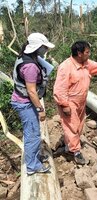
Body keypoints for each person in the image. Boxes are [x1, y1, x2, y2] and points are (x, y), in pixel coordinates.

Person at [11, 32, 55, 175]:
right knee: (33, 134)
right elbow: (31, 91)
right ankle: (32, 166)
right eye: (44, 47)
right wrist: (40, 108)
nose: (46, 50)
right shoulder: (30, 66)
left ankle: (34, 158)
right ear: (37, 47)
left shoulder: (27, 57)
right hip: (25, 103)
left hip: (24, 101)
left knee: (33, 132)